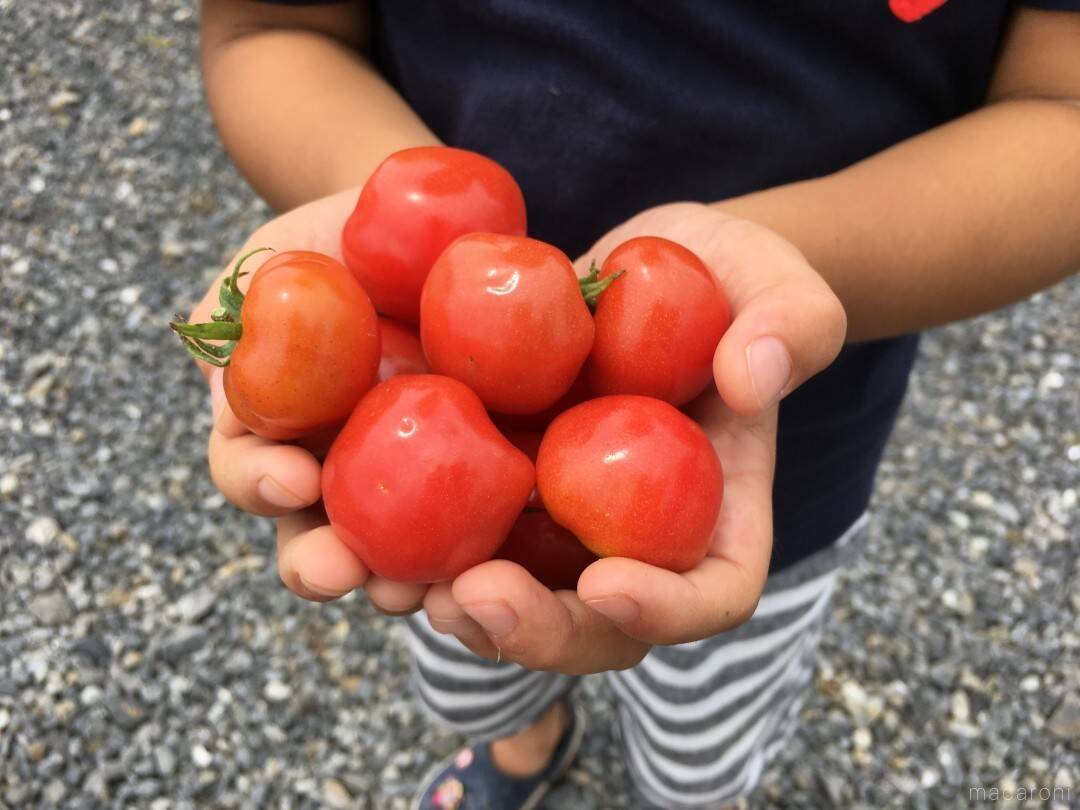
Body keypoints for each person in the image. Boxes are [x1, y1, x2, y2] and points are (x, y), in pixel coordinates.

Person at [188, 2, 1080, 807]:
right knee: (477, 643)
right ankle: (523, 748)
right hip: (445, 483)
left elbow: (1062, 112)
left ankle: (687, 792)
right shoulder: (420, 376)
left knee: (706, 727)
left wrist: (783, 265)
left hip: (770, 454)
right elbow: (270, 29)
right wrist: (385, 217)